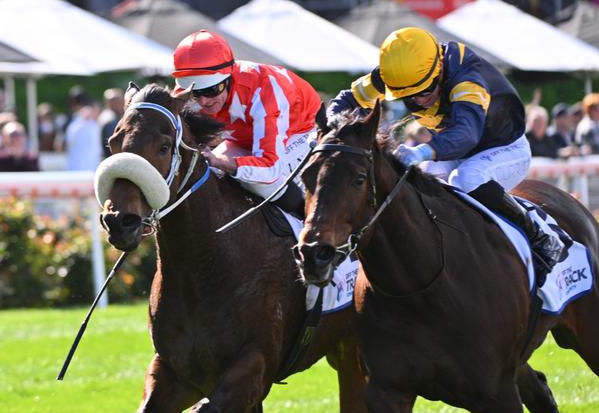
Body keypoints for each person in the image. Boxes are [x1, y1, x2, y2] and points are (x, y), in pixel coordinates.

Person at [328, 27, 564, 285]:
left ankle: (539, 235)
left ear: (439, 68)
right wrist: (328, 128)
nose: (419, 100)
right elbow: (347, 99)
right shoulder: (397, 74)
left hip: (504, 148)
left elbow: (467, 133)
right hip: (457, 150)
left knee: (465, 179)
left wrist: (422, 150)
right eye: (408, 96)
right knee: (416, 183)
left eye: (426, 90)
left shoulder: (467, 77)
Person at [171, 30, 324, 215]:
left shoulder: (265, 90)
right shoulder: (185, 93)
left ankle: (309, 222)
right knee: (204, 174)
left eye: (212, 89)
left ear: (229, 77)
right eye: (196, 92)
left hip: (301, 132)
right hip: (245, 139)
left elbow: (270, 168)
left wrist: (222, 161)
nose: (203, 101)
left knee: (259, 183)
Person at [98, 88, 125, 158]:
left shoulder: (132, 118)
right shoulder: (106, 122)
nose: (114, 104)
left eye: (116, 100)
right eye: (110, 101)